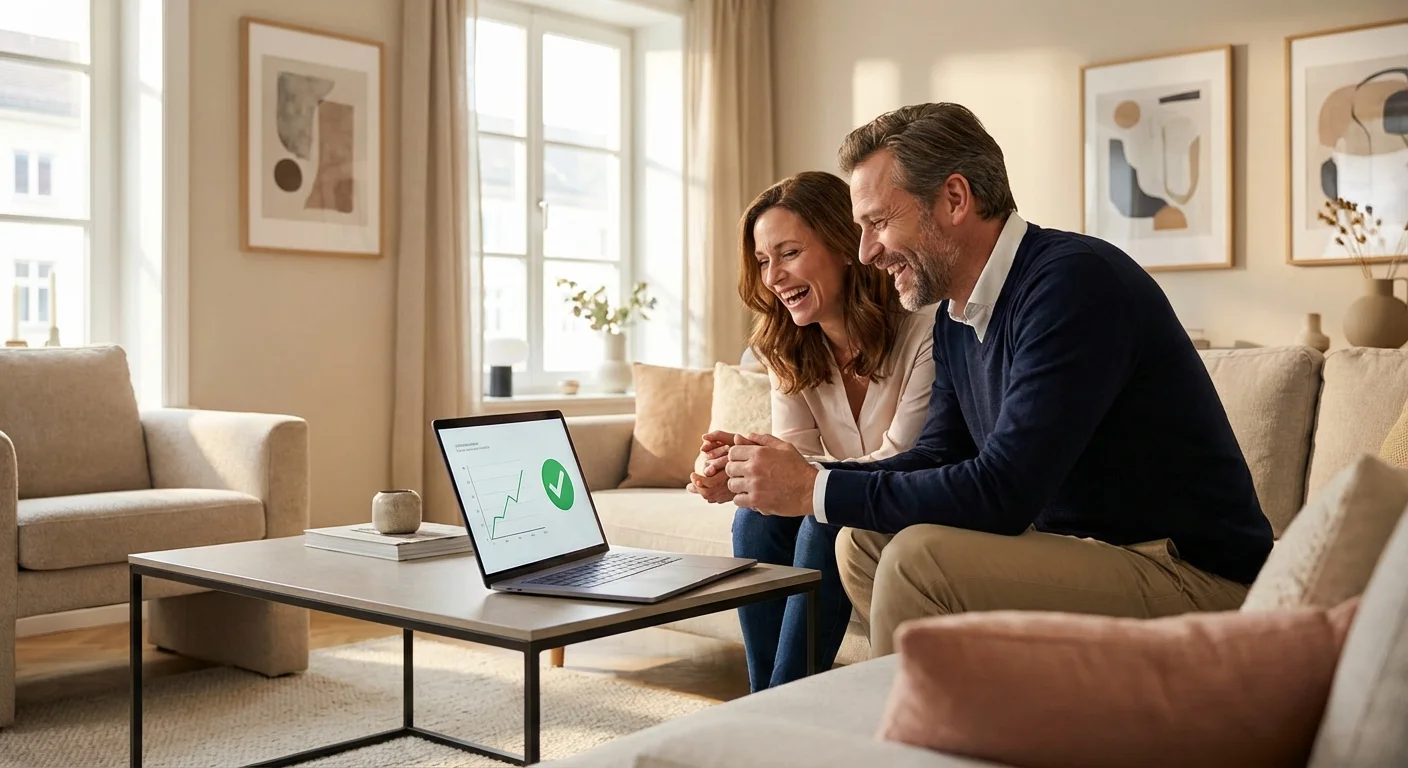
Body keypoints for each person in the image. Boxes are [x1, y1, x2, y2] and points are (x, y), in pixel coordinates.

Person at [720, 103, 1274, 657]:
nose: (867, 252)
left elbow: (1005, 491)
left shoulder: (1072, 284)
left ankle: (917, 734)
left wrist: (814, 488)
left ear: (955, 199)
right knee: (862, 544)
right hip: (1087, 554)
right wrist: (797, 476)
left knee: (917, 562)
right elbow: (936, 454)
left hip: (1187, 572)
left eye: (879, 222)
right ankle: (974, 708)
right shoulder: (958, 317)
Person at [687, 170, 936, 690]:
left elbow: (903, 460)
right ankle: (767, 702)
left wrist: (785, 474)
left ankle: (777, 710)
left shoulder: (925, 331)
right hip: (849, 501)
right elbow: (794, 463)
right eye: (762, 261)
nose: (772, 276)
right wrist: (739, 469)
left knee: (825, 513)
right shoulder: (789, 347)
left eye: (789, 253)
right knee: (755, 515)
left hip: (913, 501)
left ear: (845, 247)